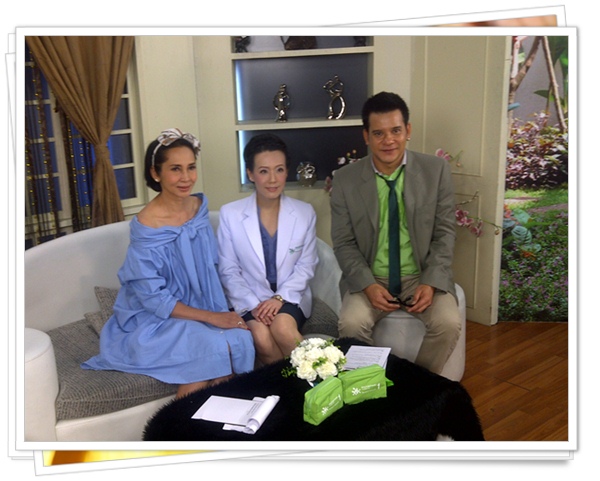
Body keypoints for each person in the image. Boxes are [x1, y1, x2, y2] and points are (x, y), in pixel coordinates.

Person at [82, 128, 255, 399]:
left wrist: (227, 310)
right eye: (175, 169)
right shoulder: (147, 226)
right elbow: (153, 299)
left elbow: (210, 268)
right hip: (156, 318)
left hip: (203, 306)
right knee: (210, 348)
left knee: (240, 338)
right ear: (155, 173)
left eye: (191, 167)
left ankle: (215, 419)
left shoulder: (198, 208)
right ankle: (176, 421)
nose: (186, 178)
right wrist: (213, 318)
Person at [330, 92, 461, 375]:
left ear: (408, 130)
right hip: (371, 276)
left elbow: (445, 233)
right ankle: (368, 386)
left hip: (420, 274)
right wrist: (367, 284)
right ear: (366, 136)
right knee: (351, 324)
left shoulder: (435, 170)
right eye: (378, 133)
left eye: (396, 131)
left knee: (448, 323)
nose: (388, 140)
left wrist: (431, 281)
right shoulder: (345, 180)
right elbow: (343, 243)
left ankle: (416, 387)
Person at [217, 133, 318, 365]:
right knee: (261, 338)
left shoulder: (304, 213)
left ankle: (318, 380)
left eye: (279, 170)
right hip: (248, 297)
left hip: (290, 295)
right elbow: (228, 270)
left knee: (283, 329)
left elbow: (306, 266)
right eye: (263, 171)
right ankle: (290, 385)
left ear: (287, 171)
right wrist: (256, 306)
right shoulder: (230, 214)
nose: (273, 179)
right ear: (250, 174)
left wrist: (279, 299)